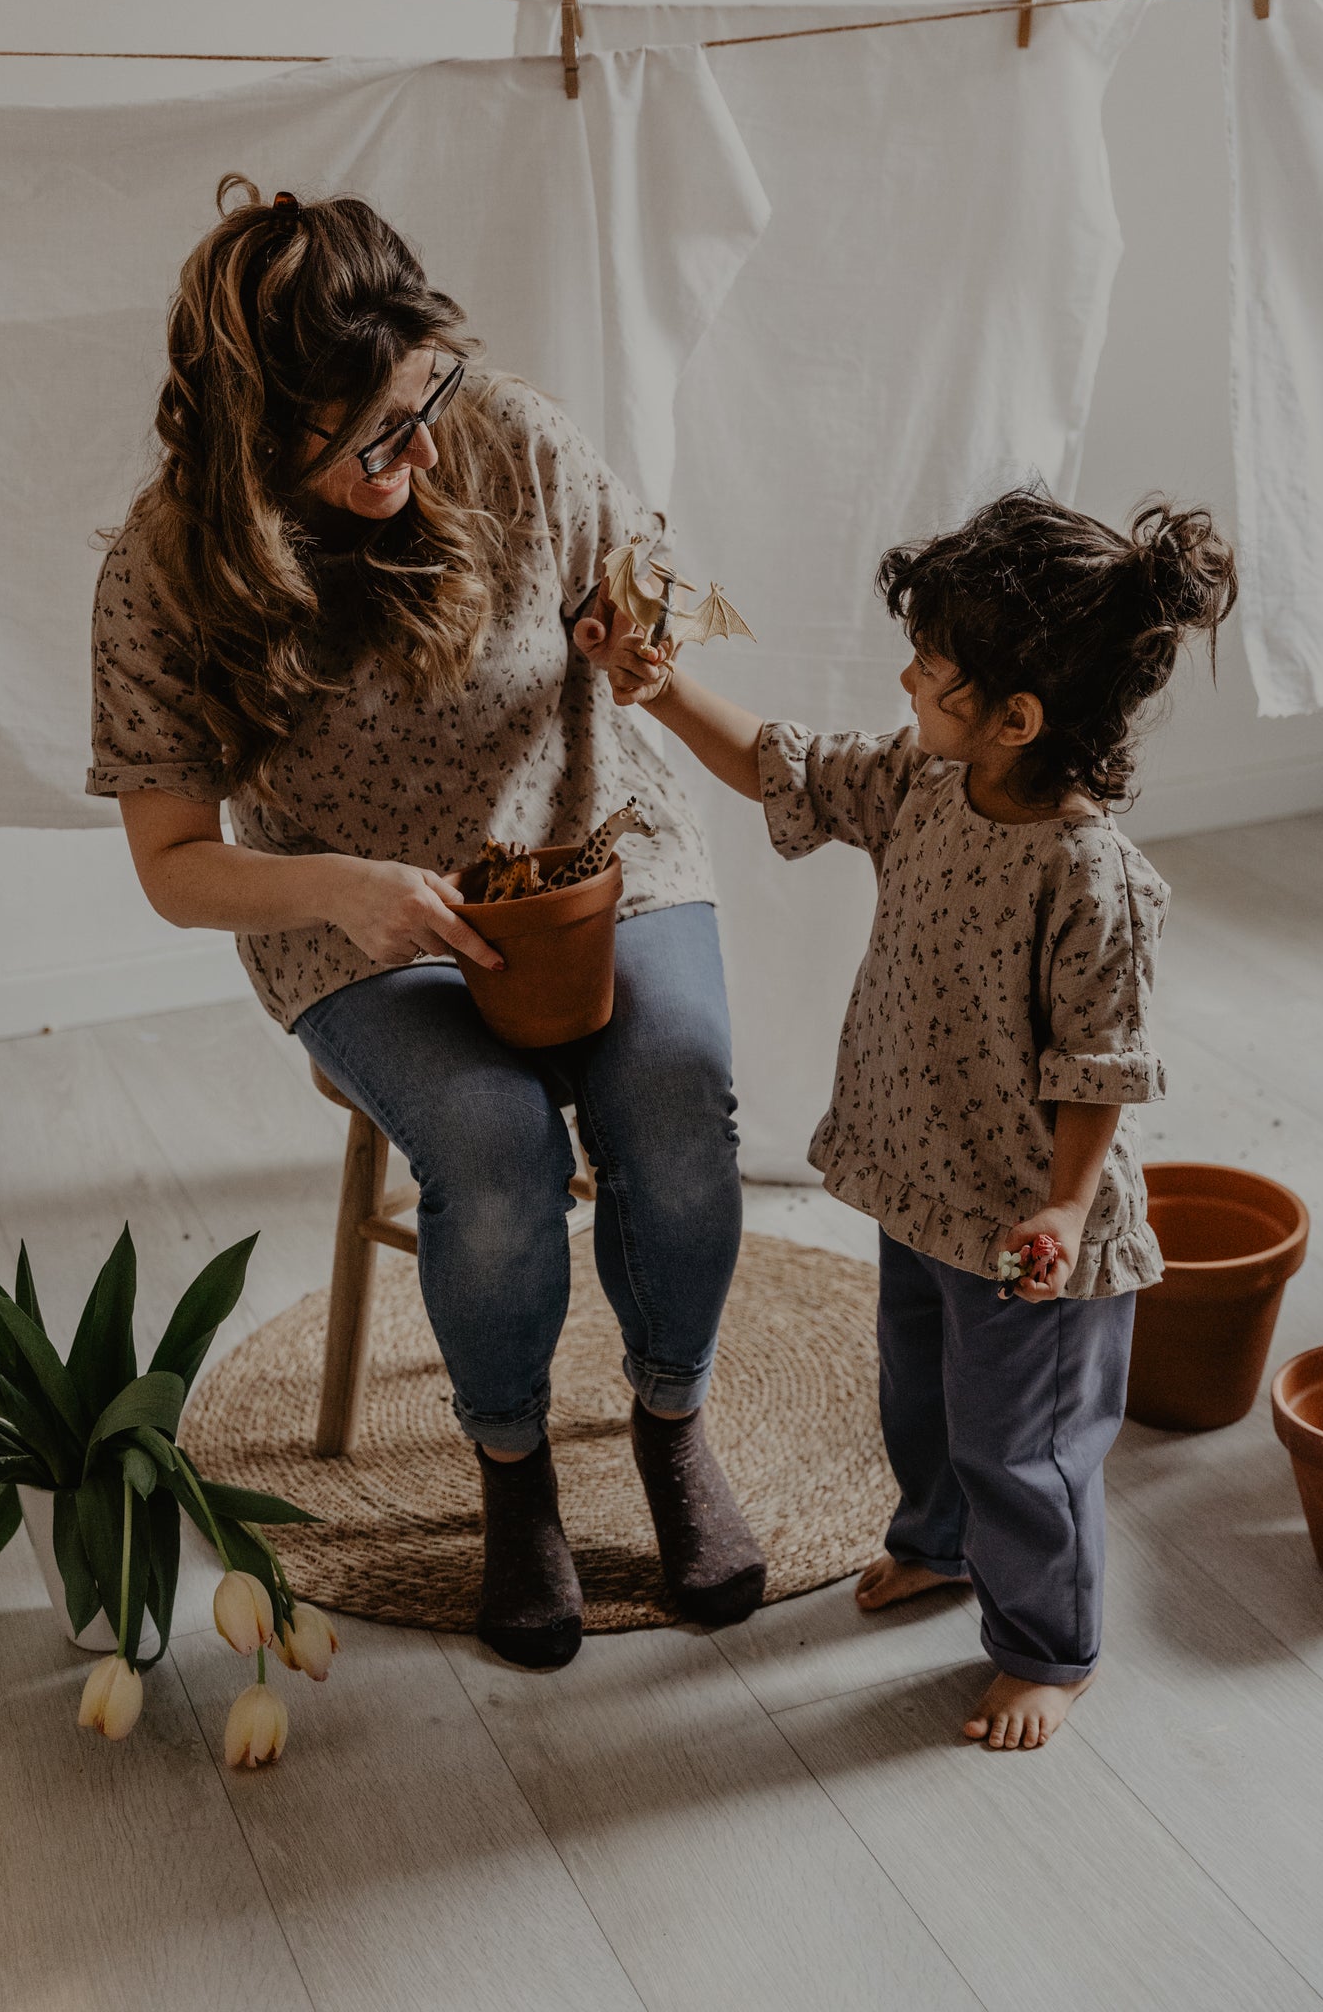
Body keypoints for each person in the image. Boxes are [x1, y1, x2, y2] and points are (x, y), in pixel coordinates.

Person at [88, 176, 766, 1672]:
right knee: (495, 1151)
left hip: (594, 843)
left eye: (427, 399)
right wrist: (345, 888)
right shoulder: (163, 571)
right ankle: (513, 1475)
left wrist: (646, 628)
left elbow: (656, 574)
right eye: (380, 434)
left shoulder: (509, 435)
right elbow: (176, 864)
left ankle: (670, 1423)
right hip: (349, 913)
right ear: (268, 433)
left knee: (679, 1101)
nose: (429, 447)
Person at [579, 486, 1237, 1747]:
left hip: (1024, 1231)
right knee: (921, 1399)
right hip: (920, 1183)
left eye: (929, 669)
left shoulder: (1088, 876)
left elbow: (1097, 1066)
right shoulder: (925, 779)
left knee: (1021, 1444)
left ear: (1014, 716)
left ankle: (1047, 1647)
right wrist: (657, 687)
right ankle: (937, 1542)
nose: (904, 679)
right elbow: (783, 763)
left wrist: (1064, 1205)